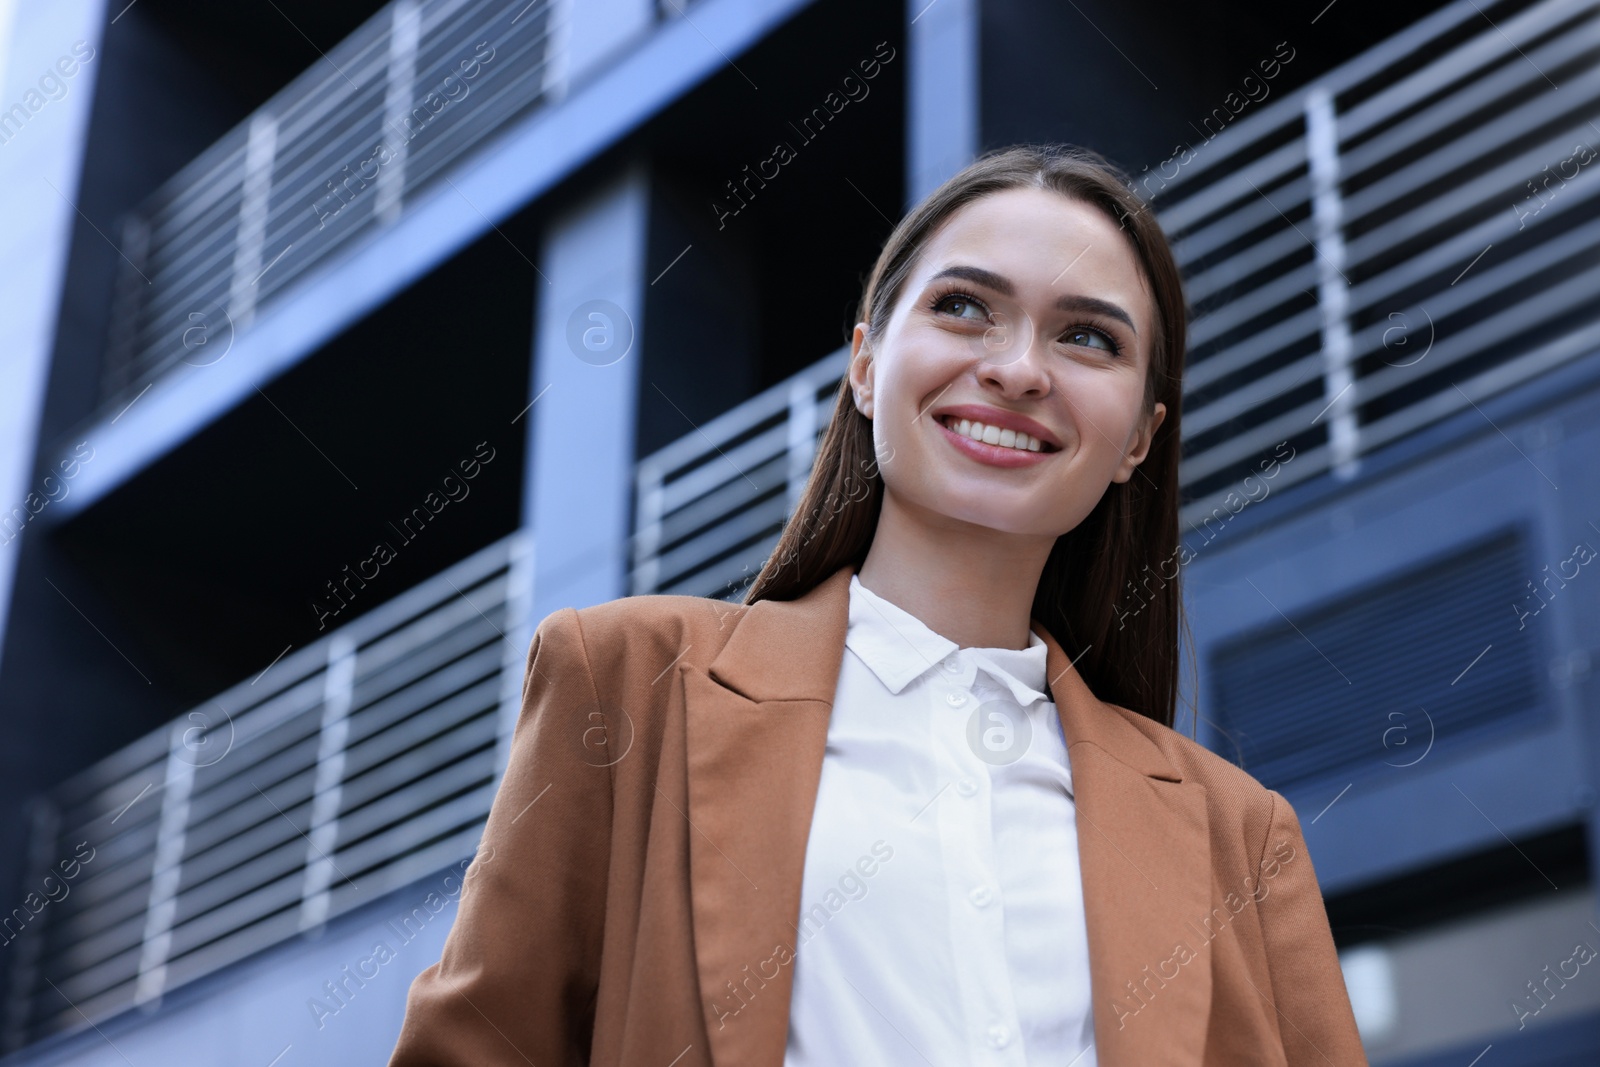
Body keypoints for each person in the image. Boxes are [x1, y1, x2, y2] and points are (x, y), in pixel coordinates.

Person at [386, 143, 1368, 1066]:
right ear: (864, 363)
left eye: (1086, 336)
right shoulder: (630, 682)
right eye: (964, 307)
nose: (1020, 367)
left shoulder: (1239, 833)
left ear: (1138, 440)